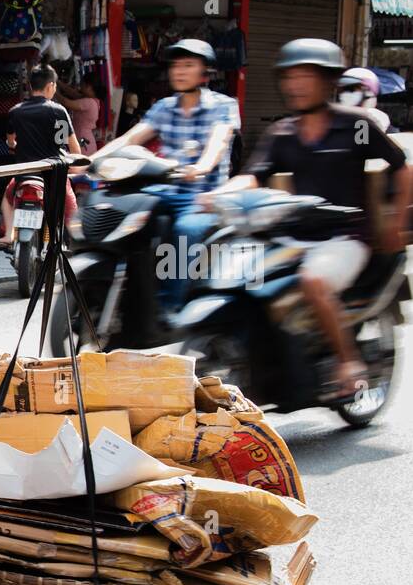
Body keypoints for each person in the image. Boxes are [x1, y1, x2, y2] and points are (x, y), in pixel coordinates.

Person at [202, 39, 412, 399]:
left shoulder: (355, 126)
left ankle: (348, 362)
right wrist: (223, 194)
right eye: (290, 76)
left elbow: (403, 168)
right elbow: (254, 174)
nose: (296, 84)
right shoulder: (282, 132)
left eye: (306, 76)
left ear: (327, 80)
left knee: (313, 281)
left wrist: (395, 224)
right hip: (292, 236)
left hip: (345, 238)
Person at [91, 39, 240, 313]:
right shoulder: (164, 107)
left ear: (205, 72)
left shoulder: (223, 105)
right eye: (175, 66)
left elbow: (219, 142)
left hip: (201, 195)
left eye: (188, 65)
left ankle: (170, 305)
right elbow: (131, 138)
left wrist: (202, 166)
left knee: (187, 230)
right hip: (163, 190)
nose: (180, 72)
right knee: (121, 212)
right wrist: (91, 160)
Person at [0, 62, 81, 249]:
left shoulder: (15, 112)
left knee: (7, 200)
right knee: (72, 210)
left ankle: (9, 235)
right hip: (53, 174)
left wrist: (15, 146)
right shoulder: (57, 111)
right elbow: (67, 145)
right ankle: (77, 244)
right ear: (50, 86)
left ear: (31, 86)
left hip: (25, 173)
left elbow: (10, 141)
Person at [337, 66, 391, 133]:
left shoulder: (378, 119)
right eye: (342, 90)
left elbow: (371, 116)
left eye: (350, 89)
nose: (344, 94)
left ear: (367, 91)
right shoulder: (338, 120)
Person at [58, 79, 100, 155]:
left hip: (82, 139)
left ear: (89, 87)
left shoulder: (89, 102)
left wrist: (52, 91)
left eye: (82, 84)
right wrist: (57, 81)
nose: (80, 87)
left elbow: (66, 102)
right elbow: (71, 92)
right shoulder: (94, 101)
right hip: (84, 138)